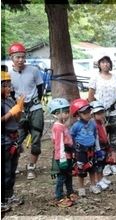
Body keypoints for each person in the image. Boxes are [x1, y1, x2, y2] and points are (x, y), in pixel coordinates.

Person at [8, 42, 44, 180]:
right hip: (19, 110)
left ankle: (31, 166)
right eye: (17, 57)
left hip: (35, 108)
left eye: (23, 57)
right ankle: (13, 165)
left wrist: (36, 102)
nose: (21, 60)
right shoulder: (9, 74)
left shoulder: (34, 70)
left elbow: (40, 88)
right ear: (12, 57)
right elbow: (10, 93)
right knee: (17, 138)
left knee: (36, 138)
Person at [88, 56, 116, 176]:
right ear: (99, 64)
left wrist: (113, 105)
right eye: (103, 62)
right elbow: (91, 96)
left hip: (114, 112)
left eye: (107, 62)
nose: (105, 64)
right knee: (102, 139)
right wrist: (94, 111)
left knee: (115, 138)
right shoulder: (95, 78)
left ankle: (113, 162)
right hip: (99, 113)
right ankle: (104, 163)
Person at [1, 68, 24, 213]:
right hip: (3, 139)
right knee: (4, 170)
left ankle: (8, 195)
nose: (9, 88)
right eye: (5, 85)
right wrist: (11, 113)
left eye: (9, 85)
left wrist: (19, 109)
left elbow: (17, 119)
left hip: (13, 138)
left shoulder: (9, 99)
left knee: (12, 169)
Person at [48, 98, 78, 207]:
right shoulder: (58, 127)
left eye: (67, 112)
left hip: (67, 154)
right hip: (62, 156)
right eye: (64, 112)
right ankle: (59, 197)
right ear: (57, 113)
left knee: (68, 175)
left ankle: (70, 192)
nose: (67, 115)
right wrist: (62, 158)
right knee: (61, 177)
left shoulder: (62, 125)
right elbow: (59, 144)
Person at [70, 98, 101, 196]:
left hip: (91, 150)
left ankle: (93, 185)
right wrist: (73, 149)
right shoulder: (76, 126)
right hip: (81, 151)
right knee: (81, 170)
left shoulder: (92, 123)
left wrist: (98, 149)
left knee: (92, 169)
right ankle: (81, 188)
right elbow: (72, 137)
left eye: (89, 112)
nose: (88, 115)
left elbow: (95, 135)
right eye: (84, 113)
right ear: (78, 114)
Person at [90, 101, 112, 191]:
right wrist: (97, 149)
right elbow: (96, 138)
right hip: (98, 148)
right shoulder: (94, 125)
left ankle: (102, 178)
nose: (101, 115)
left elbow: (105, 135)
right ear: (93, 115)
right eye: (98, 113)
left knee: (102, 164)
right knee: (98, 165)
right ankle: (98, 180)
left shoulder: (102, 123)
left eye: (102, 112)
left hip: (104, 146)